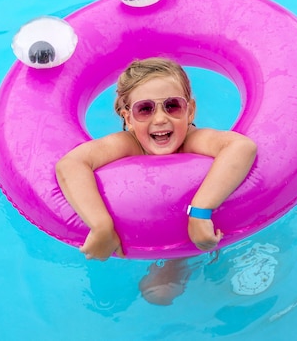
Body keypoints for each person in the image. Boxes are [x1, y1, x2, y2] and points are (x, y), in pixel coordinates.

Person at [55, 57, 257, 305]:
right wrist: (100, 225)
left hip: (203, 227)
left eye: (172, 106)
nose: (160, 119)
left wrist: (201, 211)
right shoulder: (128, 144)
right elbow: (71, 164)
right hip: (149, 231)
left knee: (239, 284)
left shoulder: (192, 140)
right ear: (127, 117)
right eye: (145, 109)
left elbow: (241, 147)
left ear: (190, 111)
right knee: (158, 293)